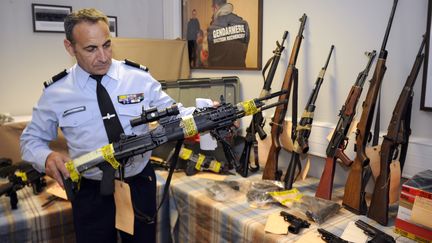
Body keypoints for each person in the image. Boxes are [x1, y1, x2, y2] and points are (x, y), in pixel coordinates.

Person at [20, 8, 192, 243]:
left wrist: (206, 112)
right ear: (70, 48)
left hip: (138, 182)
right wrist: (47, 158)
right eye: (91, 48)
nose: (103, 56)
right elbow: (30, 140)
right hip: (90, 191)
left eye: (107, 45)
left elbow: (174, 115)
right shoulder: (56, 92)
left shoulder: (137, 78)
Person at [207, 0, 250, 68]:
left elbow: (208, 58)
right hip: (240, 74)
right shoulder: (244, 24)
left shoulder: (212, 28)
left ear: (215, 7)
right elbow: (244, 52)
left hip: (217, 73)